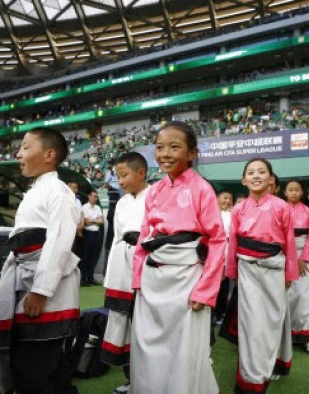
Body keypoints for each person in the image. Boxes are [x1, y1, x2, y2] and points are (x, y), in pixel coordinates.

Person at [131, 121, 225, 394]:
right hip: (153, 277)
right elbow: (144, 236)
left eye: (174, 147)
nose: (165, 154)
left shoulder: (201, 188)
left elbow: (217, 240)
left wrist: (205, 291)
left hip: (187, 278)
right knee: (148, 345)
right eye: (160, 147)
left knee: (186, 350)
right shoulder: (155, 190)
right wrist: (138, 280)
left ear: (192, 153)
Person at [0, 127, 80, 392]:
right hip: (23, 278)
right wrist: (4, 280)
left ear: (49, 155)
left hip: (44, 287)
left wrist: (41, 290)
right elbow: (18, 245)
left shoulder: (58, 191)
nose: (18, 154)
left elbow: (59, 242)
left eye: (26, 147)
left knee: (32, 366)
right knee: (47, 366)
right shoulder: (36, 189)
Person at [227, 158, 297, 393]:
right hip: (247, 271)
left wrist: (289, 274)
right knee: (251, 325)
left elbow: (289, 243)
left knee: (272, 321)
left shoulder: (281, 207)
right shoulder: (238, 209)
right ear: (243, 180)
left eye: (262, 172)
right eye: (251, 172)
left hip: (274, 270)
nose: (256, 176)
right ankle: (251, 377)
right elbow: (233, 245)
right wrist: (232, 272)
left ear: (270, 179)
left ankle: (273, 362)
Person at [100, 152, 149, 394]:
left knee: (146, 324)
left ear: (141, 172)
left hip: (147, 265)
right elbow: (117, 239)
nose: (120, 181)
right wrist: (110, 277)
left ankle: (149, 381)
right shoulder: (121, 202)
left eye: (124, 175)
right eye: (118, 176)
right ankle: (131, 380)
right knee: (123, 322)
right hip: (122, 265)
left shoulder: (156, 196)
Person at [284, 180, 309, 353]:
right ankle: (284, 336)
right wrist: (290, 257)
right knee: (286, 295)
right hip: (282, 255)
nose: (294, 192)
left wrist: (304, 259)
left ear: (302, 193)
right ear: (285, 192)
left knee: (304, 295)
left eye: (297, 190)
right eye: (290, 190)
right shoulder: (279, 209)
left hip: (304, 258)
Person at [215, 190, 234, 324]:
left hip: (228, 250)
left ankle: (221, 313)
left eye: (229, 199)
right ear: (217, 198)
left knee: (224, 283)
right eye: (224, 198)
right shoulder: (211, 213)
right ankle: (212, 312)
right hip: (214, 249)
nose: (227, 201)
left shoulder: (232, 215)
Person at [81, 189, 104, 286]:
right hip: (87, 233)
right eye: (94, 196)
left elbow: (102, 221)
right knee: (86, 256)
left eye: (97, 197)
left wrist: (92, 220)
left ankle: (91, 277)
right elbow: (85, 222)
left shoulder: (98, 207)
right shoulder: (84, 207)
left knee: (93, 256)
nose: (96, 198)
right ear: (89, 196)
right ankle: (84, 278)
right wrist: (96, 220)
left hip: (95, 233)